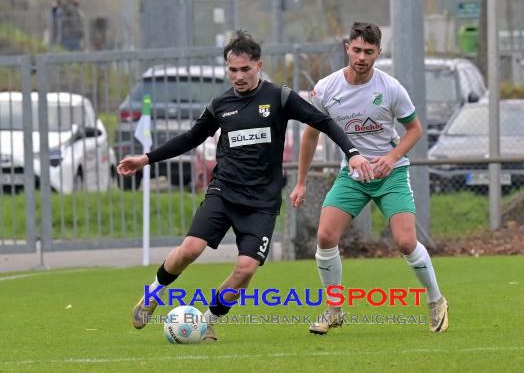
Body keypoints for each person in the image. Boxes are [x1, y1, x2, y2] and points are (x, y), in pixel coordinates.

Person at [117, 30, 374, 342]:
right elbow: (189, 138)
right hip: (224, 192)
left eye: (244, 69)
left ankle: (208, 321)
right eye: (232, 70)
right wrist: (145, 159)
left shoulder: (279, 98)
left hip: (262, 203)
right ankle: (153, 294)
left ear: (259, 66)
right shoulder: (219, 105)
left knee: (246, 269)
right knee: (189, 249)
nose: (237, 76)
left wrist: (353, 152)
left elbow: (324, 122)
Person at [289, 22, 449, 334]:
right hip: (352, 176)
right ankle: (334, 309)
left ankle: (436, 300)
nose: (362, 56)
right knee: (324, 237)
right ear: (347, 48)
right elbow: (310, 136)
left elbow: (414, 129)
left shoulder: (390, 88)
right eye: (357, 49)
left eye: (369, 51)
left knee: (405, 242)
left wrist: (391, 158)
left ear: (378, 52)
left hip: (391, 175)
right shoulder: (326, 88)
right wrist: (301, 181)